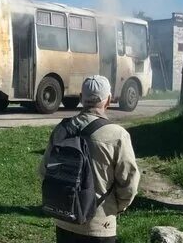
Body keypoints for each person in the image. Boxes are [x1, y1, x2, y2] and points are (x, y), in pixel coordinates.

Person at [39, 75, 140, 243]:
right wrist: (115, 208)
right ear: (108, 100)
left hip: (65, 221)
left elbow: (44, 171)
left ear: (80, 98)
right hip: (100, 225)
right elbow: (129, 184)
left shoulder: (62, 129)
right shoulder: (117, 135)